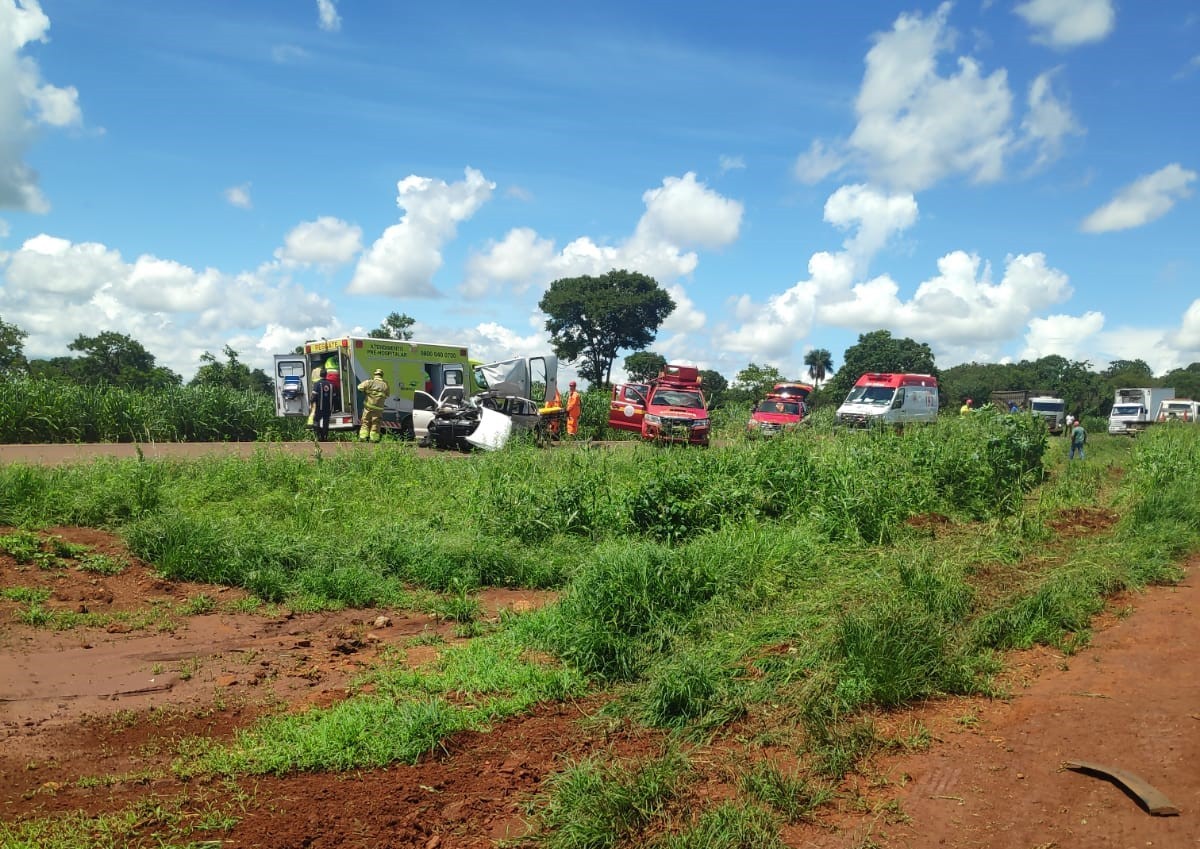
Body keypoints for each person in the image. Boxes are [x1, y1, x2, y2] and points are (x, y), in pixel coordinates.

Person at [357, 368, 390, 443]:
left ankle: (363, 437)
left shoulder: (369, 382)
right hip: (378, 408)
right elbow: (387, 395)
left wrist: (366, 391)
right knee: (376, 422)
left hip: (368, 406)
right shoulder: (385, 384)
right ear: (382, 375)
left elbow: (359, 387)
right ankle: (374, 439)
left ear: (374, 375)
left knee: (365, 421)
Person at [309, 368, 335, 441]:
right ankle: (325, 438)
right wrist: (334, 407)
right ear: (326, 375)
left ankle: (318, 437)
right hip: (328, 408)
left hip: (319, 408)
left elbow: (313, 397)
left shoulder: (317, 384)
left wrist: (311, 404)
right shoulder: (331, 384)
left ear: (320, 375)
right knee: (326, 423)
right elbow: (335, 397)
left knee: (316, 421)